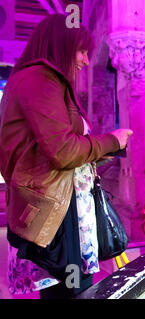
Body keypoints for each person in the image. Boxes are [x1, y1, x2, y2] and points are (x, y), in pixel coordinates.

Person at [0, 14, 133, 298]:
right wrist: (111, 140)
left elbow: (52, 148)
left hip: (60, 207)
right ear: (61, 45)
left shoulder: (37, 80)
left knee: (69, 290)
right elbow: (61, 151)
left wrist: (97, 154)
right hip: (57, 214)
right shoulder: (40, 79)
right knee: (69, 292)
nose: (86, 60)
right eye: (82, 51)